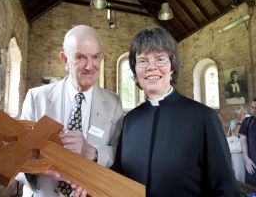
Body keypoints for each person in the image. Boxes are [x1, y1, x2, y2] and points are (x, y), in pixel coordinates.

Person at [74, 26, 240, 197]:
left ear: (172, 66)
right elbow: (119, 175)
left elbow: (226, 189)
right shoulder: (130, 120)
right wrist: (91, 188)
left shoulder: (203, 117)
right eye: (143, 61)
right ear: (135, 70)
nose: (151, 67)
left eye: (160, 59)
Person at [16, 25, 124, 197]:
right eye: (80, 57)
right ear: (65, 60)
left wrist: (91, 152)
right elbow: (16, 154)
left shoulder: (114, 103)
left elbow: (119, 154)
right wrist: (42, 169)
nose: (90, 66)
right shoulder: (36, 97)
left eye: (96, 57)